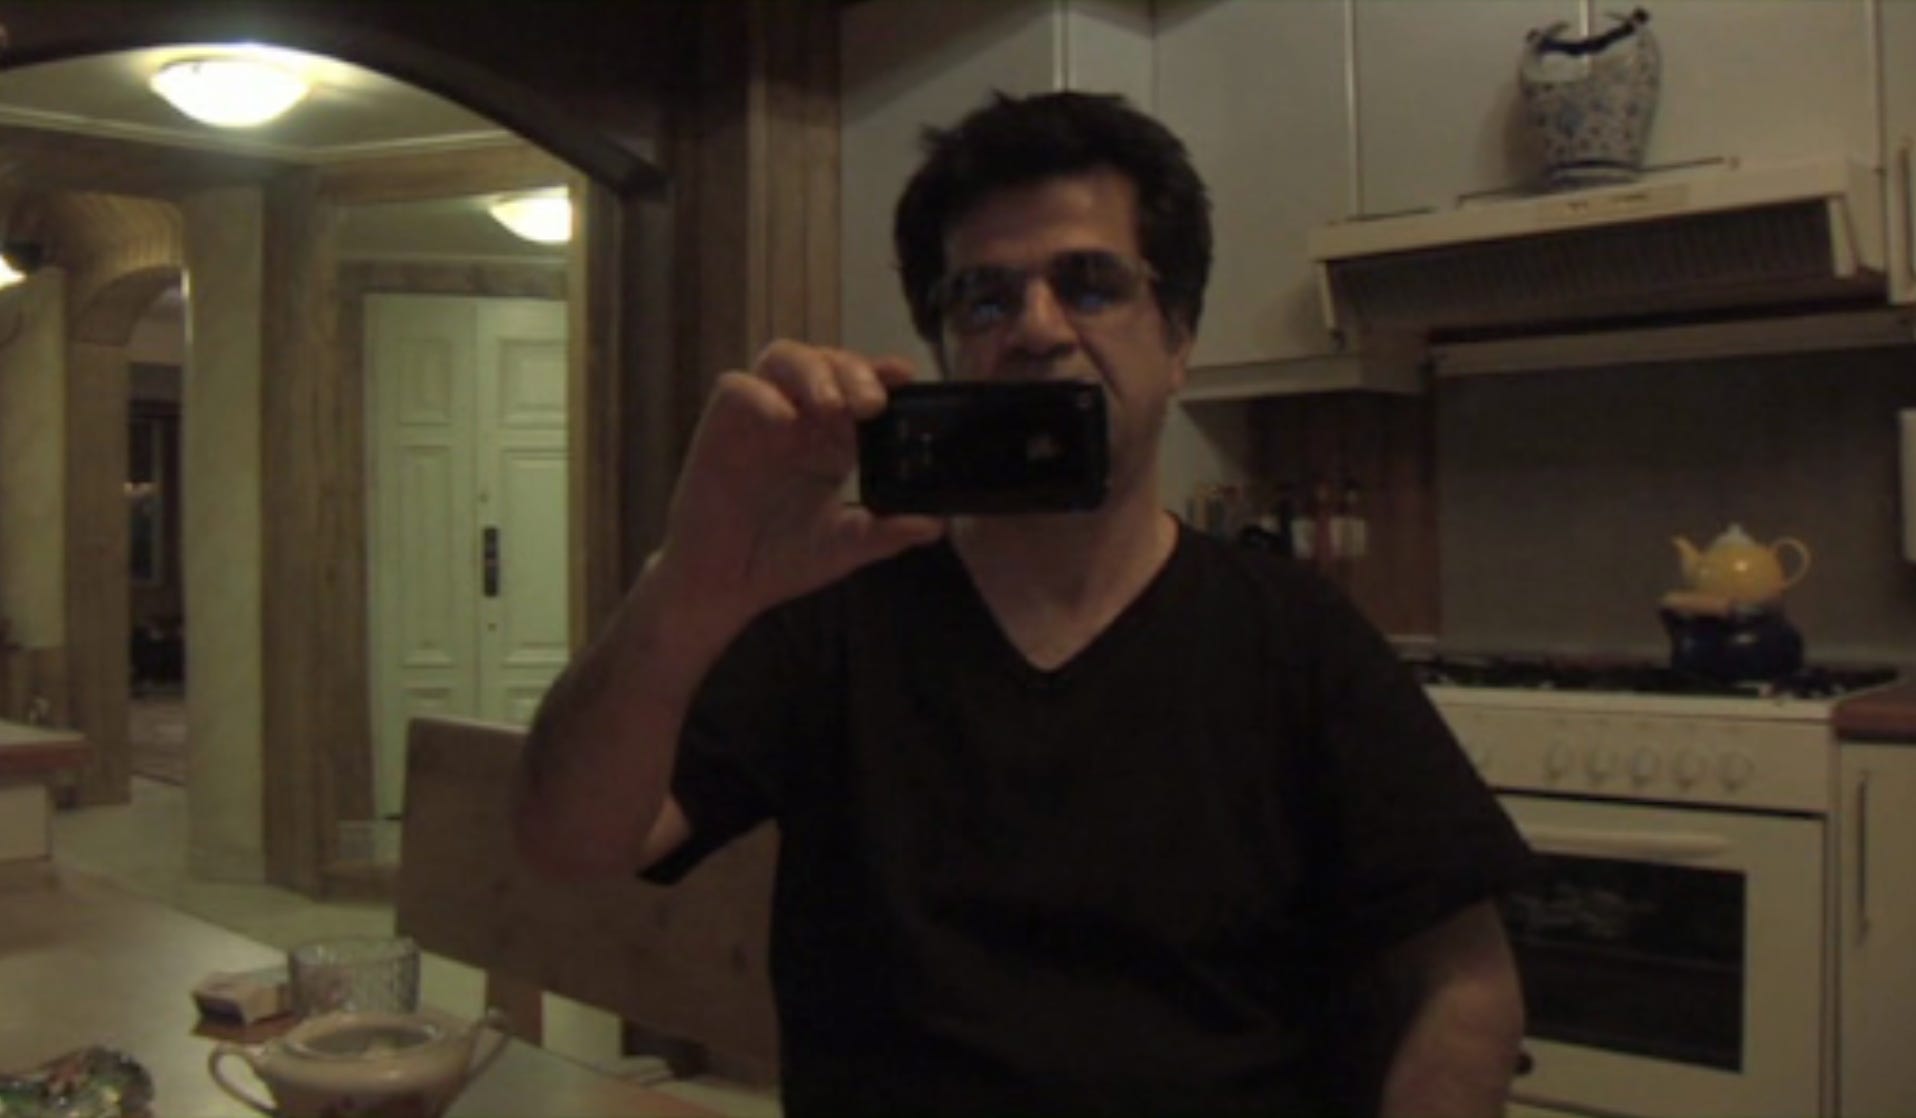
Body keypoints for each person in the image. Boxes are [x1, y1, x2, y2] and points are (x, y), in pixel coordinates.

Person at [514, 90, 1531, 1118]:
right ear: (944, 344)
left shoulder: (1295, 637)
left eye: (1090, 284)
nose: (1037, 330)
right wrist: (686, 589)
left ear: (1178, 337)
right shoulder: (832, 611)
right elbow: (571, 843)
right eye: (984, 299)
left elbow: (1466, 985)